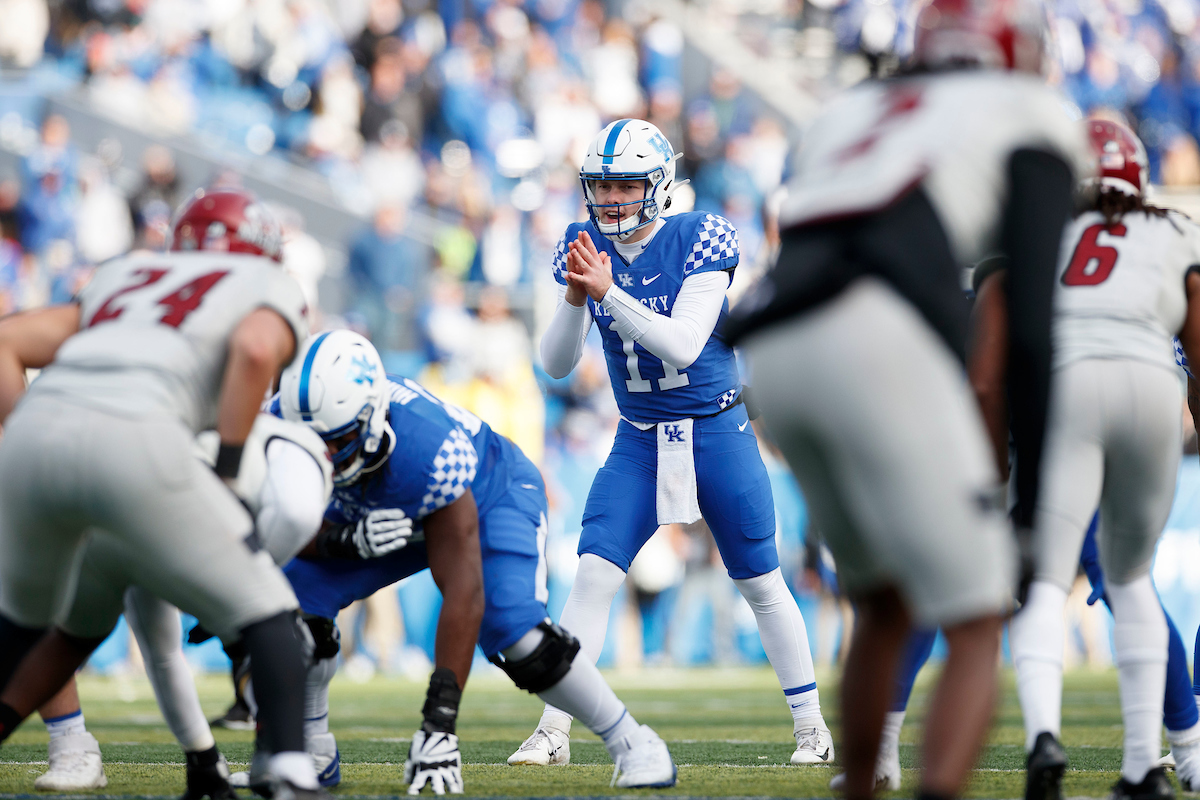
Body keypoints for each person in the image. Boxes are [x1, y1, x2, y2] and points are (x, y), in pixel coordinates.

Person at [722, 0, 1091, 796]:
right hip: (876, 338)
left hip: (776, 346)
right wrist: (1028, 508)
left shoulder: (848, 110)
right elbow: (1029, 320)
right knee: (976, 611)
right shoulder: (1031, 111)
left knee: (880, 604)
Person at [0, 188, 327, 800]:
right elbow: (256, 347)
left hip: (32, 440)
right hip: (140, 441)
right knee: (272, 613)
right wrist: (228, 472)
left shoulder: (125, 272)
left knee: (38, 631)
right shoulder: (265, 281)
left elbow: (5, 341)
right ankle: (289, 771)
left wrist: (21, 437)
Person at [526, 117, 832, 768]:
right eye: (602, 187)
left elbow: (684, 344)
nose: (610, 200)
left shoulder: (699, 238)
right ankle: (553, 730)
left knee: (760, 580)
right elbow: (555, 363)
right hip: (638, 438)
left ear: (660, 187)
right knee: (593, 577)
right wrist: (578, 300)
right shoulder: (584, 244)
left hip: (716, 431)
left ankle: (810, 725)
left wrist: (609, 291)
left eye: (625, 186)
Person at [266, 330, 677, 793]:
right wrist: (340, 540)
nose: (323, 457)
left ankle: (635, 745)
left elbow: (462, 588)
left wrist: (438, 725)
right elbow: (276, 527)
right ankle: (309, 751)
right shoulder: (278, 422)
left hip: (488, 495)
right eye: (311, 442)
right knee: (291, 610)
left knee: (518, 637)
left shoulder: (428, 447)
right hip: (380, 501)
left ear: (371, 418)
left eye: (335, 441)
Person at [992, 118, 1200, 800]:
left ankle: (1043, 737)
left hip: (1071, 383)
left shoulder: (1040, 234)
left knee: (1048, 578)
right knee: (1132, 576)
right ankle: (1145, 766)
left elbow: (1005, 347)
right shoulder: (1175, 229)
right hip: (1151, 387)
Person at [20, 412, 335, 798]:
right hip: (160, 508)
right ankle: (283, 763)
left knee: (66, 640)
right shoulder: (288, 455)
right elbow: (292, 519)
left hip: (128, 506)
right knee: (272, 632)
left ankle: (237, 759)